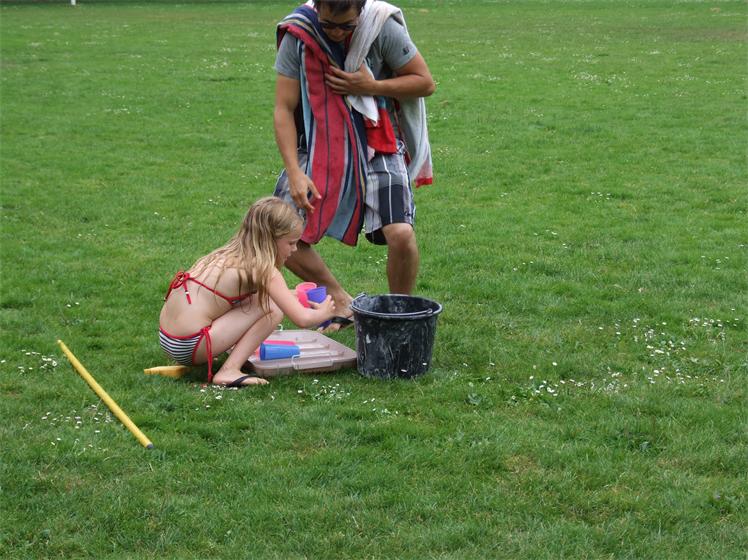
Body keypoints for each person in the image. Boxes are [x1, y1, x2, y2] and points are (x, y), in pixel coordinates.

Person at [273, 0, 435, 331]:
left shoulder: (381, 26)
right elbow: (283, 108)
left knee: (401, 234)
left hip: (378, 143)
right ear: (317, 8)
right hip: (318, 146)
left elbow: (424, 82)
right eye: (328, 24)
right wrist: (294, 172)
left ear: (361, 12)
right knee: (278, 232)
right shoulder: (299, 33)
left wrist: (369, 87)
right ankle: (341, 300)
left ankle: (397, 314)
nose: (335, 33)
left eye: (346, 26)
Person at [158, 197, 336, 387]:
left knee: (263, 299)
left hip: (168, 339)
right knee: (272, 308)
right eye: (291, 243)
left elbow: (267, 295)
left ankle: (231, 351)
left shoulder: (228, 254)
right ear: (271, 239)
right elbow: (303, 319)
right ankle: (229, 371)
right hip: (190, 345)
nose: (294, 250)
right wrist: (325, 312)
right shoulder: (265, 270)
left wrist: (295, 296)